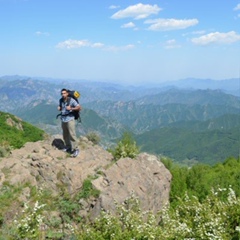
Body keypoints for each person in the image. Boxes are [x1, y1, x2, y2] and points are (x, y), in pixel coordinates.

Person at [57, 88, 81, 157]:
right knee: (65, 134)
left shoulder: (71, 100)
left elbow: (79, 107)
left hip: (70, 119)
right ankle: (68, 146)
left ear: (67, 93)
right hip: (63, 119)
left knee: (72, 134)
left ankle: (75, 149)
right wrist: (59, 108)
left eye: (64, 93)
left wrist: (71, 108)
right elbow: (61, 108)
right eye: (62, 93)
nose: (63, 95)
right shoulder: (61, 100)